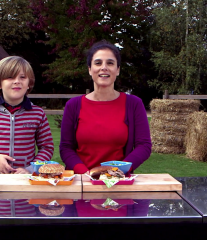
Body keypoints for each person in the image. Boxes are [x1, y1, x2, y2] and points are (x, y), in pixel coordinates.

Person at [60, 40, 152, 174]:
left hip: (118, 182)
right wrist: (85, 173)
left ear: (118, 69)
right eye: (98, 63)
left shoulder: (134, 104)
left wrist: (118, 170)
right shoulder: (73, 105)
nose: (104, 67)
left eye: (110, 63)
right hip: (82, 182)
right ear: (90, 69)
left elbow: (144, 146)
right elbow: (66, 148)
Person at [0, 56, 54, 179]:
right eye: (10, 77)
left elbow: (47, 148)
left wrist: (30, 169)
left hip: (26, 180)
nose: (17, 81)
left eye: (22, 77)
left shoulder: (37, 114)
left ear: (29, 84)